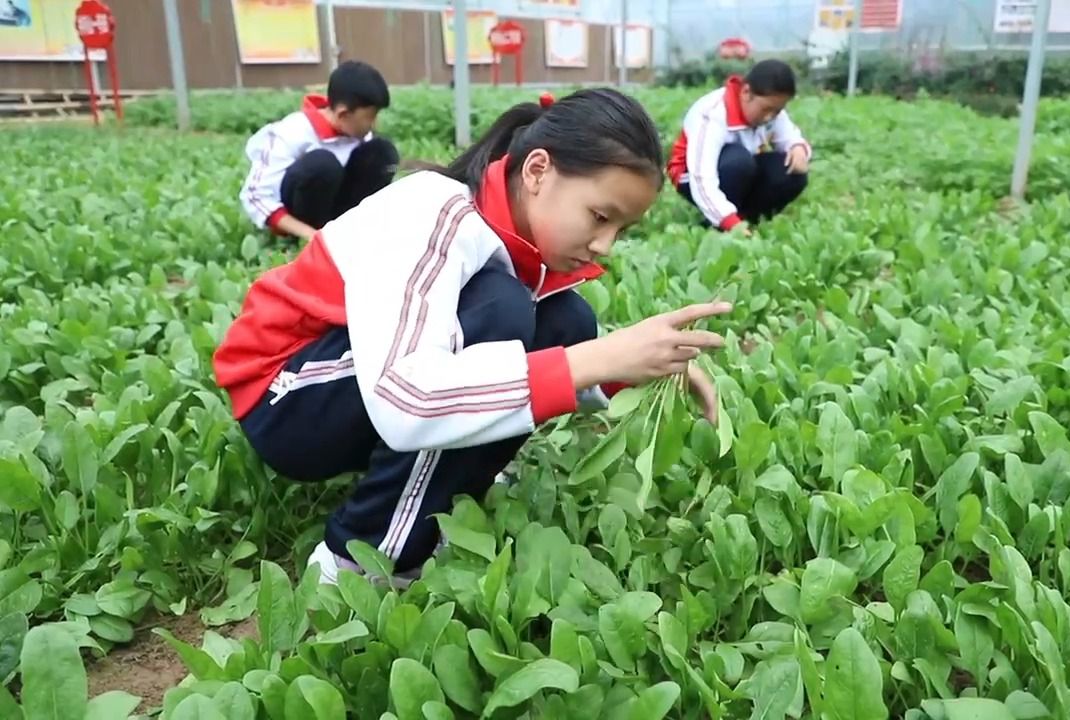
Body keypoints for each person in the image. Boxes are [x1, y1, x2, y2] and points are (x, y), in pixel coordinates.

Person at [213, 88, 732, 586]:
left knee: (565, 321)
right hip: (282, 395)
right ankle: (360, 562)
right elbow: (405, 395)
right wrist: (590, 361)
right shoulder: (436, 211)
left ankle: (442, 497)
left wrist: (628, 367)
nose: (606, 246)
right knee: (503, 314)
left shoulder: (515, 235)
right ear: (537, 171)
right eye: (600, 217)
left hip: (348, 382)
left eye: (621, 230)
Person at [239, 60, 400, 243]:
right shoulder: (293, 132)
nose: (374, 124)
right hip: (301, 219)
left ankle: (354, 232)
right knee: (323, 165)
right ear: (343, 114)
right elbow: (256, 196)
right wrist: (311, 236)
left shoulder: (359, 135)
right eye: (370, 117)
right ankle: (310, 238)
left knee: (382, 152)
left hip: (337, 215)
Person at [667, 59, 812, 233]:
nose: (769, 117)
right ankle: (720, 224)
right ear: (746, 92)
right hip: (691, 176)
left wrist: (798, 149)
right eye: (766, 109)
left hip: (741, 168)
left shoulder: (771, 112)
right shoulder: (712, 114)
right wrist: (729, 222)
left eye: (777, 111)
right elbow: (701, 178)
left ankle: (745, 221)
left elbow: (790, 138)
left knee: (790, 171)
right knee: (739, 162)